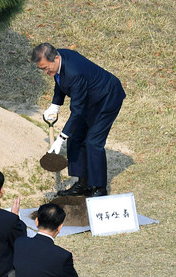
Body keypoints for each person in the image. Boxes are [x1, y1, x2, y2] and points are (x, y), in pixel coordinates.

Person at [31, 43, 126, 197]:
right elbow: (59, 79)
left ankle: (99, 188)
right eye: (41, 69)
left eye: (46, 68)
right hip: (89, 98)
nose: (45, 72)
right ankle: (83, 184)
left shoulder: (74, 72)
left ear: (55, 58)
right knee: (75, 138)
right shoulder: (58, 59)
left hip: (107, 98)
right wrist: (55, 105)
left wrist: (61, 138)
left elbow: (76, 111)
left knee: (93, 142)